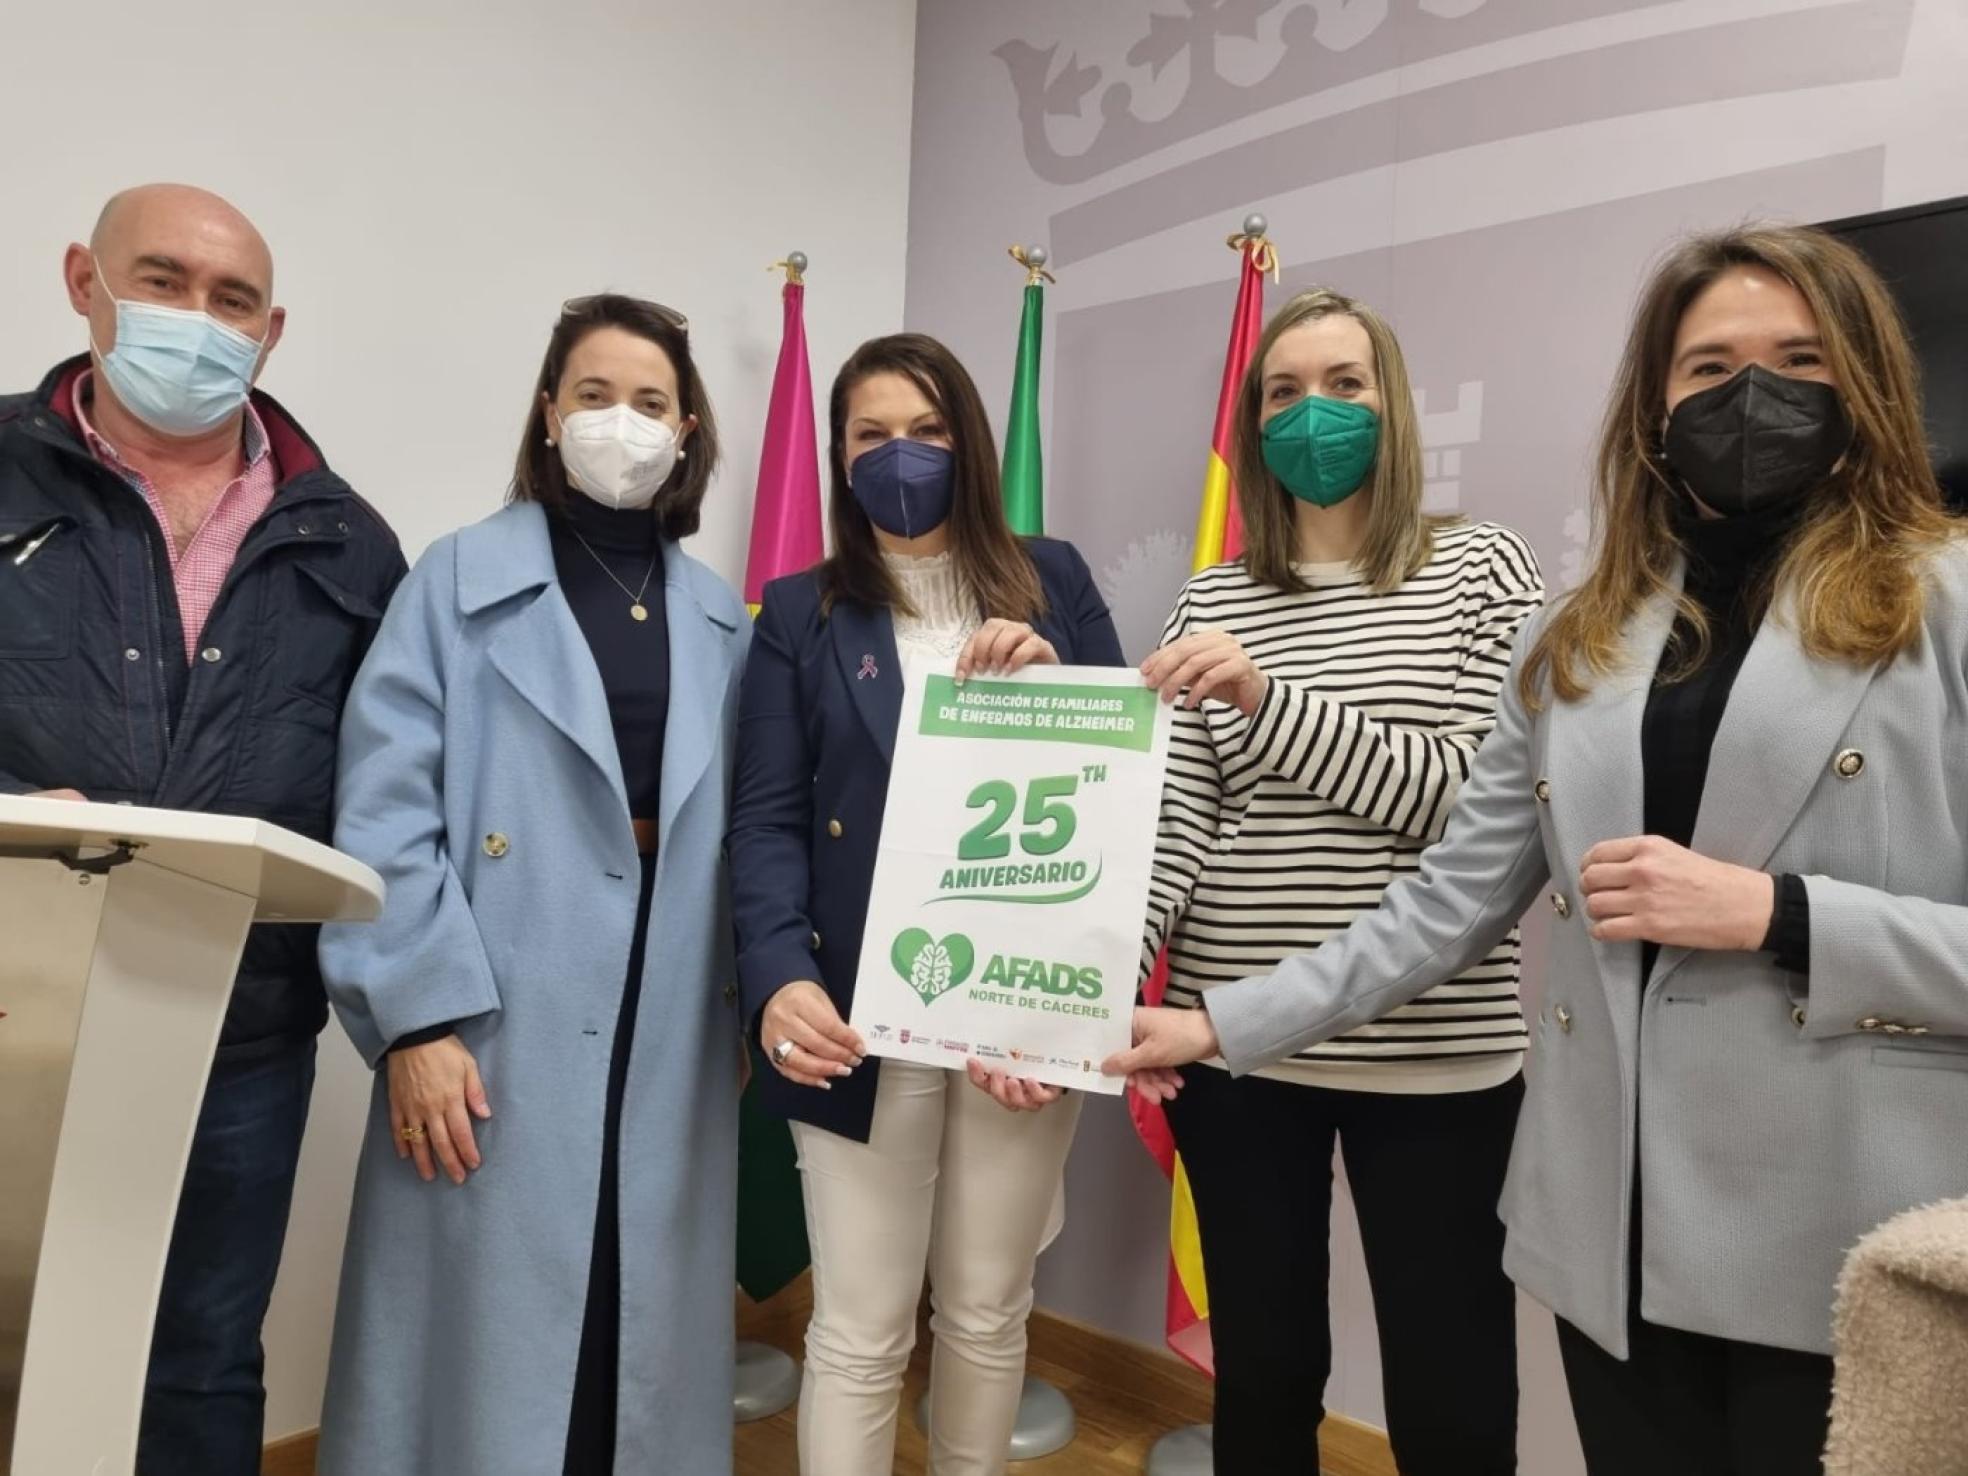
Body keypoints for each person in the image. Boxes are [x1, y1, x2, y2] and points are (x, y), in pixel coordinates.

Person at [1110, 224, 1968, 1475]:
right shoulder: (1589, 631)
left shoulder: (1943, 599)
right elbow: (1452, 892)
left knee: (1452, 1395)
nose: (1751, 396)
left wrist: (1783, 915)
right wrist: (1196, 1016)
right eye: (1708, 367)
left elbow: (1439, 810)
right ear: (1653, 404)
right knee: (1268, 1369)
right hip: (1609, 1211)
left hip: (1834, 1213)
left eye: (1799, 360)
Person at [0, 184, 404, 1475]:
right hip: (16, 1006)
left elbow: (387, 795)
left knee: (204, 1355)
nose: (197, 319)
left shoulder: (349, 542)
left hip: (238, 1030)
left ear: (269, 332)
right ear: (86, 281)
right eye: (162, 281)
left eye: (232, 301)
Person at [315, 294, 749, 1476]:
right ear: (550, 413)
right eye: (595, 395)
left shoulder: (723, 617)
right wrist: (416, 1019)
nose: (622, 421)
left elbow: (749, 830)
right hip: (495, 998)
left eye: (650, 402)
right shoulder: (455, 579)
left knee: (634, 1312)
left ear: (687, 429)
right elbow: (383, 813)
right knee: (495, 1336)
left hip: (670, 1003)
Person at [1134, 286, 1543, 1475]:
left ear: (1392, 403)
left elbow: (1477, 806)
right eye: (1284, 391)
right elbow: (1176, 824)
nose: (1314, 411)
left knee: (1455, 1385)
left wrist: (1269, 701)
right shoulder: (1213, 597)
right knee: (1263, 1378)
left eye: (1344, 384)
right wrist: (1097, 976)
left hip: (1437, 1050)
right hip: (1232, 1047)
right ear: (1254, 424)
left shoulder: (1481, 568)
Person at [729, 332, 1123, 1476]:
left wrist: (1053, 684)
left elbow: (1123, 786)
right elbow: (765, 818)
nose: (900, 455)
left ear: (971, 442)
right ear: (839, 456)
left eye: (928, 430)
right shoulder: (799, 610)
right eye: (871, 435)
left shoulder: (1056, 580)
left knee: (989, 1311)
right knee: (857, 1330)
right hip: (853, 1012)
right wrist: (777, 976)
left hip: (1020, 1009)